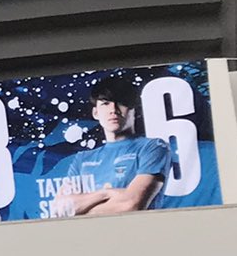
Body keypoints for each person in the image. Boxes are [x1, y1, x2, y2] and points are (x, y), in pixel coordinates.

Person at [56, 75, 171, 216]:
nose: (113, 109)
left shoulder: (153, 147)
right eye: (105, 103)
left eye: (121, 102)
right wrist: (105, 194)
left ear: (134, 109)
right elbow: (60, 209)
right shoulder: (82, 159)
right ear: (95, 112)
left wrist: (81, 209)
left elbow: (132, 204)